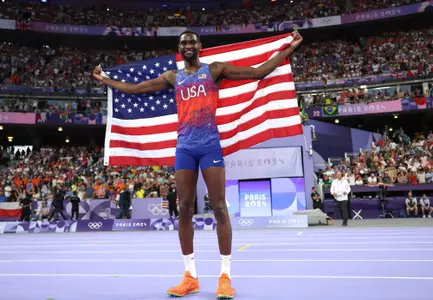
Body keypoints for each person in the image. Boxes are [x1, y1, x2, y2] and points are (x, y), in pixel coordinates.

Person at [93, 30, 303, 299]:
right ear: (179, 49)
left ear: (200, 46)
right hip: (185, 147)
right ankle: (189, 276)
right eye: (184, 43)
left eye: (192, 41)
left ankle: (225, 277)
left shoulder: (215, 70)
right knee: (183, 207)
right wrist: (105, 79)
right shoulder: (172, 77)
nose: (188, 45)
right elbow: (136, 89)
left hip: (209, 146)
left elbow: (258, 72)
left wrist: (288, 49)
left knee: (219, 207)